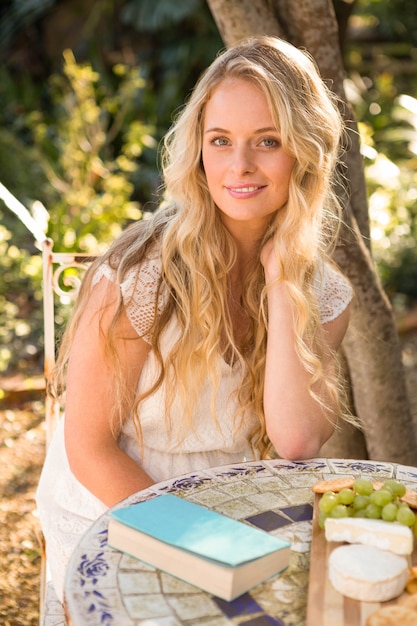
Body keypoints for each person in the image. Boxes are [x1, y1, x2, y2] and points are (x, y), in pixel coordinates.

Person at [37, 35, 355, 602]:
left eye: (268, 141)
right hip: (123, 502)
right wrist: (209, 549)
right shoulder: (141, 275)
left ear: (305, 153)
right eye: (220, 140)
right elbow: (90, 448)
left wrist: (283, 279)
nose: (239, 165)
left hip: (240, 508)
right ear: (198, 148)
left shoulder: (324, 294)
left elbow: (298, 439)